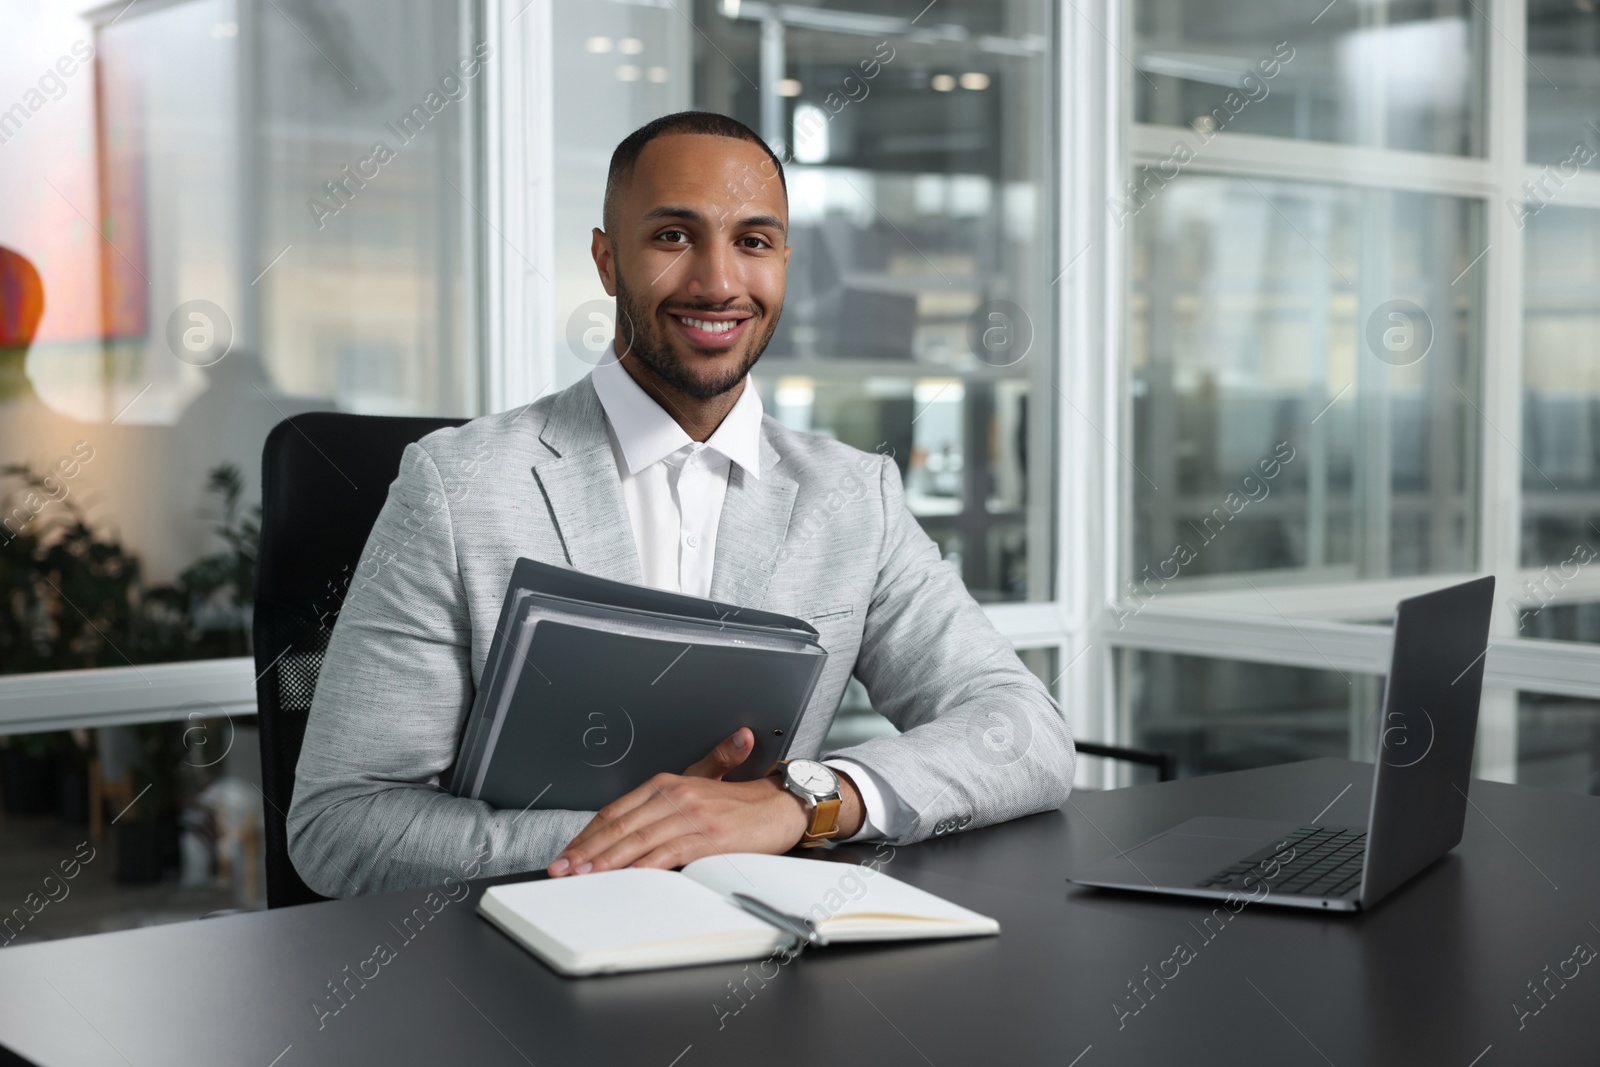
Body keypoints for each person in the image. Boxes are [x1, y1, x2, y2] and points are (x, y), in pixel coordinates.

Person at [287, 112, 1074, 897]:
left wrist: (802, 803)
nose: (719, 282)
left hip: (766, 966)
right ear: (606, 259)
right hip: (517, 974)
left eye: (754, 242)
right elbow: (341, 825)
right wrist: (664, 837)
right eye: (673, 236)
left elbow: (1024, 730)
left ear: (785, 264)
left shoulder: (851, 496)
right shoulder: (459, 487)